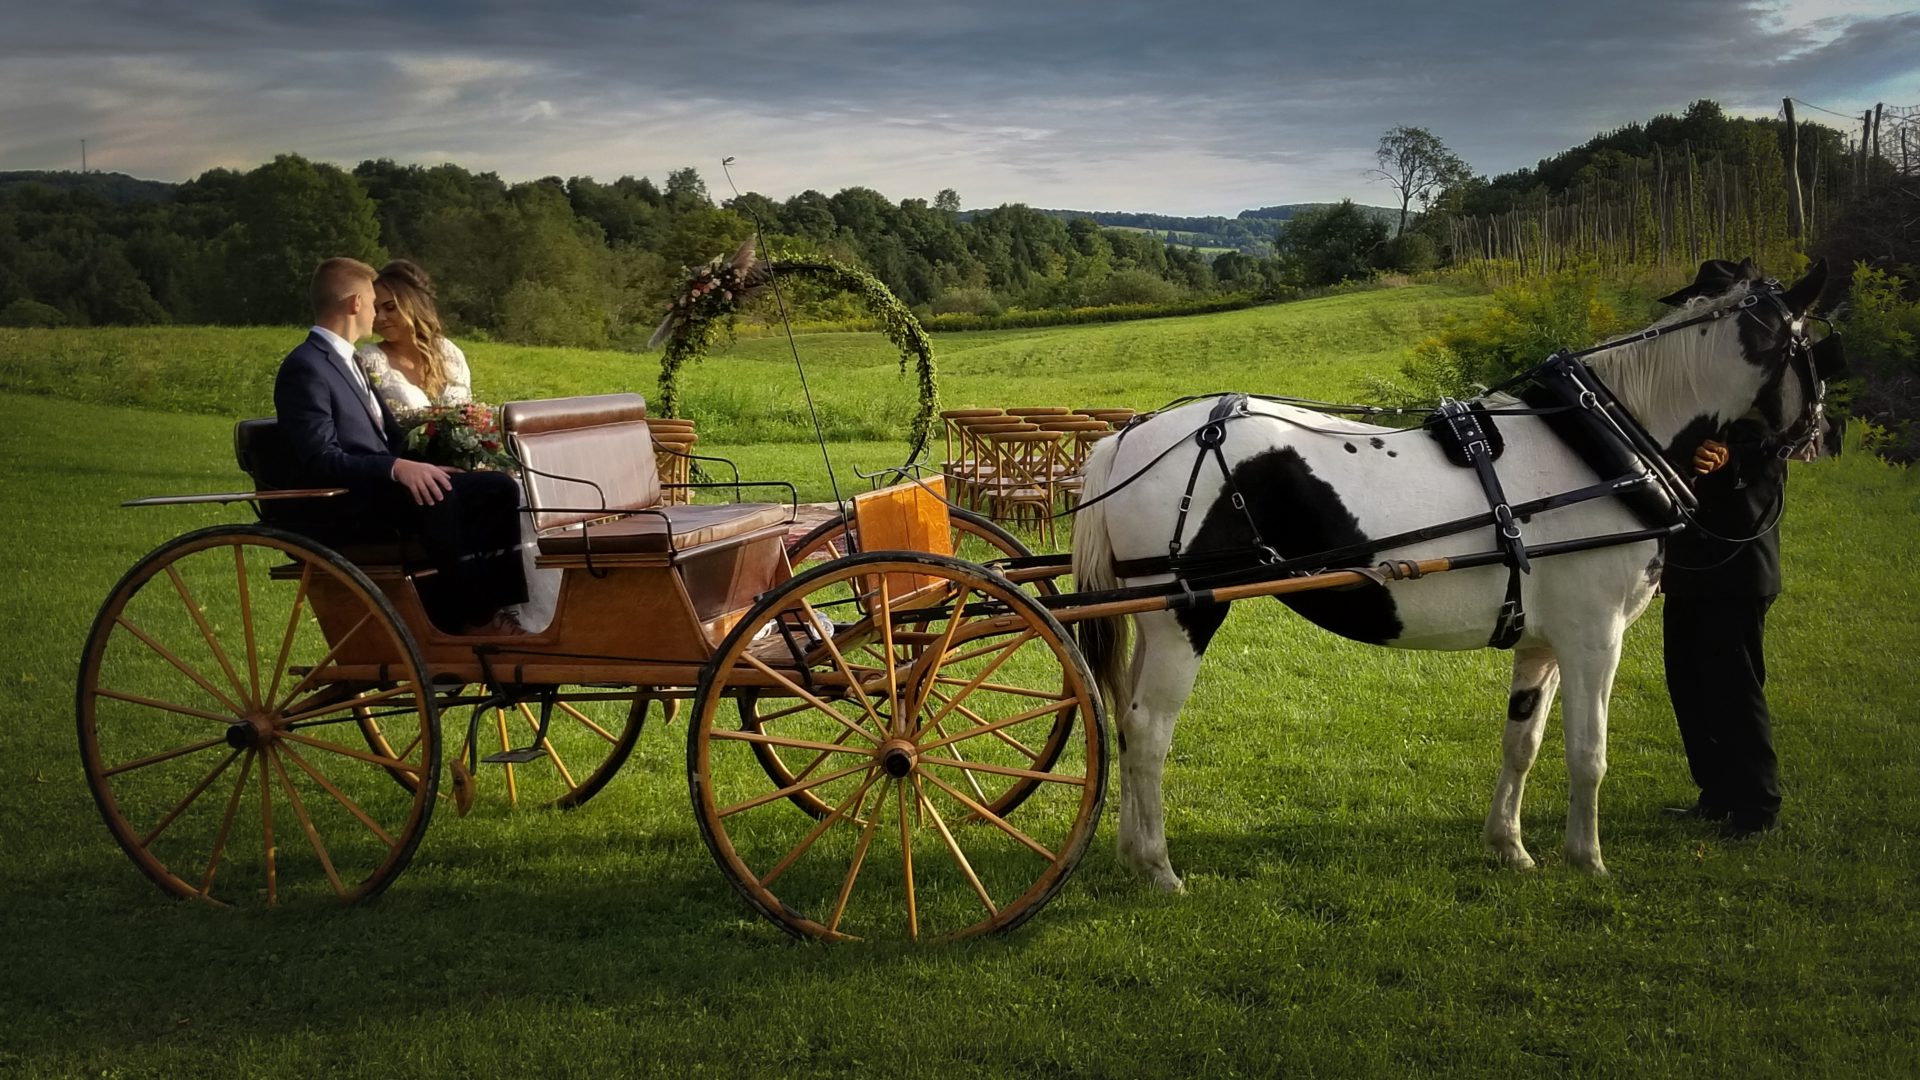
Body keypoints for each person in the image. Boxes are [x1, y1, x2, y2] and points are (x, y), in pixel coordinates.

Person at [274, 256, 528, 635]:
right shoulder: (308, 365)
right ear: (355, 304)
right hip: (344, 502)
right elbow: (317, 458)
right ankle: (475, 619)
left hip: (380, 490)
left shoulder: (349, 362)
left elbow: (386, 438)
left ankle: (499, 609)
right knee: (437, 498)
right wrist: (396, 469)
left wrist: (422, 465)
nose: (378, 315)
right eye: (373, 304)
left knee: (498, 489)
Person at [1661, 420, 1785, 841]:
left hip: (1738, 573)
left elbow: (1777, 446)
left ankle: (1757, 807)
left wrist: (1731, 457)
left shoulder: (1765, 404)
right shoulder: (1699, 403)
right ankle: (1717, 794)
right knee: (1687, 684)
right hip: (1688, 570)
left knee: (1734, 689)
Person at [354, 259, 473, 418]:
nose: (381, 317)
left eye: (390, 307)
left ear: (413, 304)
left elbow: (468, 412)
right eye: (375, 310)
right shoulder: (368, 361)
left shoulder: (449, 352)